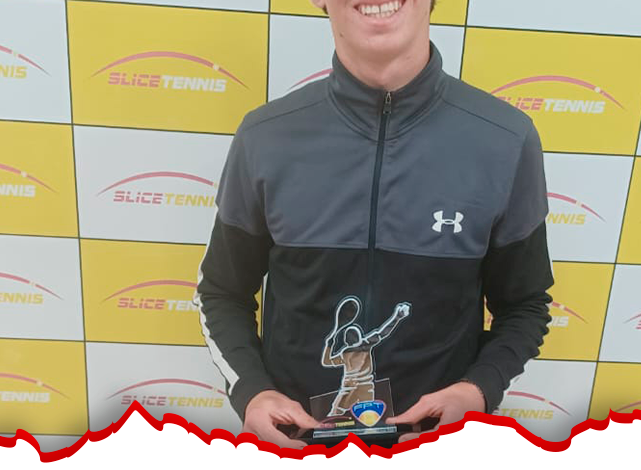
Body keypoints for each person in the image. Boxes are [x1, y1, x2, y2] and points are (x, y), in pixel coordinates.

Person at [194, 0, 554, 449]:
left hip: (436, 446)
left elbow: (525, 305)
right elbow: (222, 293)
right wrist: (252, 391)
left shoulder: (505, 140)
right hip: (298, 445)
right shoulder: (264, 137)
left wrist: (477, 390)